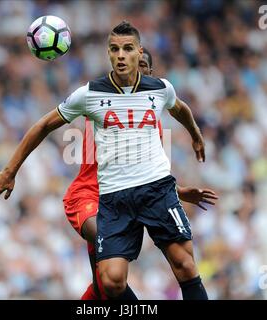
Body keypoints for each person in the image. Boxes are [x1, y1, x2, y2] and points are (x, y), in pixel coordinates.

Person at [0, 21, 208, 300]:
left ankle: (98, 292)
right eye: (115, 49)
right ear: (108, 53)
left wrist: (193, 143)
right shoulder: (93, 97)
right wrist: (10, 170)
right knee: (109, 278)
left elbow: (147, 165)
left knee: (181, 265)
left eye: (131, 53)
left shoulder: (158, 96)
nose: (123, 57)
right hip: (95, 194)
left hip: (147, 191)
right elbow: (45, 124)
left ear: (142, 57)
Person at [65, 48, 218, 300]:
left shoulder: (152, 121)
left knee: (107, 286)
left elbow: (146, 174)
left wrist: (178, 192)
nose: (135, 68)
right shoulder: (103, 102)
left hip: (133, 197)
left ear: (149, 73)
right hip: (91, 196)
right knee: (109, 275)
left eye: (142, 64)